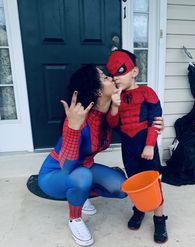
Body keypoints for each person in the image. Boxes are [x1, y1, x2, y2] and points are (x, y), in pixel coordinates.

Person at [38, 64, 164, 246]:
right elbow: (67, 166)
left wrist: (158, 126)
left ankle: (81, 196)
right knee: (81, 176)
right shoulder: (77, 117)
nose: (112, 78)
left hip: (85, 168)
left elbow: (135, 127)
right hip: (56, 173)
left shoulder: (109, 115)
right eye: (105, 77)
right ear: (97, 91)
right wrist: (72, 128)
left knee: (121, 189)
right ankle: (75, 219)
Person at [106, 49, 168, 243]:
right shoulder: (116, 97)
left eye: (121, 71)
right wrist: (114, 105)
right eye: (113, 74)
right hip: (129, 147)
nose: (116, 78)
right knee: (135, 182)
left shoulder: (147, 92)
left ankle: (159, 219)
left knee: (153, 182)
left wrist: (150, 145)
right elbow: (112, 124)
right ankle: (139, 209)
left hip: (146, 145)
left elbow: (155, 120)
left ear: (134, 71)